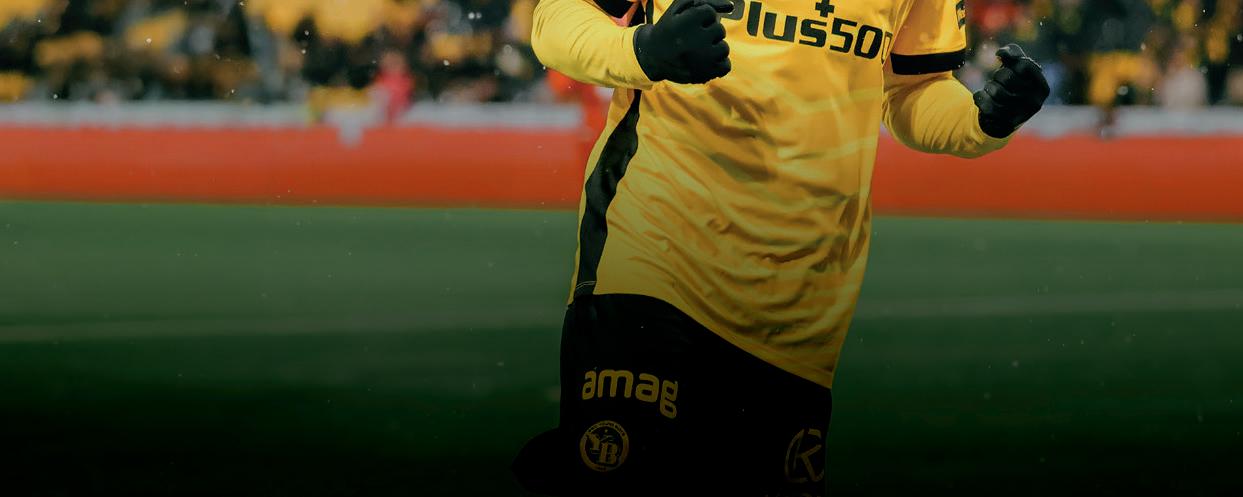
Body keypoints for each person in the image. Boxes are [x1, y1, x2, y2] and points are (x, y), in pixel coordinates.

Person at [511, 0, 1048, 495]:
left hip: (801, 307)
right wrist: (641, 51)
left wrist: (981, 120)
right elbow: (557, 17)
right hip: (656, 253)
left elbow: (912, 89)